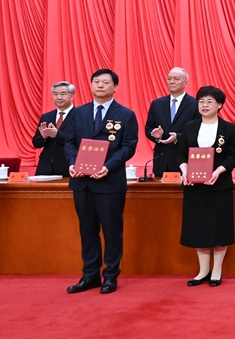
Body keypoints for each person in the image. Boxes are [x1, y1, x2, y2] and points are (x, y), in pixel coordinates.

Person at [64, 69, 138, 294]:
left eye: (106, 82)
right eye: (96, 81)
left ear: (115, 87)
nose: (100, 85)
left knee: (112, 230)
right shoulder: (78, 113)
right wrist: (72, 163)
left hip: (109, 181)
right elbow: (69, 142)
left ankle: (111, 276)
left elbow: (129, 146)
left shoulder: (126, 114)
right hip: (82, 181)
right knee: (87, 230)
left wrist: (108, 166)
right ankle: (90, 275)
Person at [178, 86, 235, 287]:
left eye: (209, 101)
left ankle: (217, 270)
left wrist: (218, 171)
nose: (204, 105)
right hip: (194, 187)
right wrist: (184, 171)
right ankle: (203, 271)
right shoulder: (189, 127)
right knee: (199, 228)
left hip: (219, 185)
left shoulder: (229, 128)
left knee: (220, 229)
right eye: (201, 101)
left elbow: (233, 156)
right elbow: (181, 154)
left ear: (219, 105)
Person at [144, 68, 200, 178]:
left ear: (186, 83)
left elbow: (198, 131)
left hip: (184, 160)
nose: (171, 82)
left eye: (176, 79)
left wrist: (178, 137)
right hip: (161, 159)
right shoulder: (157, 104)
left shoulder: (195, 104)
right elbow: (148, 128)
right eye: (169, 79)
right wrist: (157, 136)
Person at [33, 82, 76, 176]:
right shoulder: (46, 116)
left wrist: (58, 134)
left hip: (68, 165)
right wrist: (43, 137)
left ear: (72, 96)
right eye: (55, 94)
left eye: (63, 94)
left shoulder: (80, 115)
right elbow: (36, 143)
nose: (59, 97)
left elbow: (80, 140)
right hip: (46, 166)